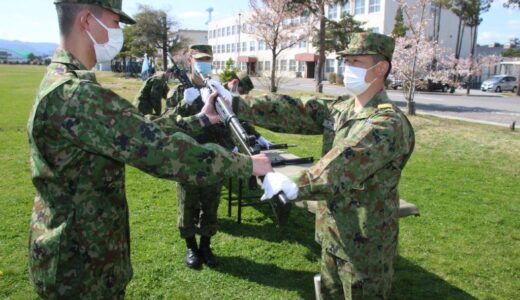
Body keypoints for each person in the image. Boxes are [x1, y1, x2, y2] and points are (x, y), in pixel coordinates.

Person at [27, 1, 273, 298]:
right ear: (88, 21)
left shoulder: (66, 82)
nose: (118, 31)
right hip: (80, 266)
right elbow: (164, 151)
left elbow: (139, 130)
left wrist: (200, 119)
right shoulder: (78, 96)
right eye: (115, 22)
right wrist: (248, 164)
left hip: (77, 254)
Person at [228, 32, 415, 299]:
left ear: (381, 68)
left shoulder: (387, 123)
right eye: (346, 60)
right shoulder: (344, 108)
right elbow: (295, 110)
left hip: (365, 247)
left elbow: (344, 162)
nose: (347, 68)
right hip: (333, 234)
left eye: (356, 61)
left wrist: (293, 184)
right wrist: (234, 103)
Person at [165, 45, 274, 269]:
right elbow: (168, 128)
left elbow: (230, 122)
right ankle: (191, 247)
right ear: (190, 62)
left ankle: (205, 245)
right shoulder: (178, 92)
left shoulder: (215, 89)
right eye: (200, 60)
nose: (205, 65)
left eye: (208, 61)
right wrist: (186, 105)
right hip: (188, 158)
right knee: (187, 205)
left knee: (211, 204)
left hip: (215, 159)